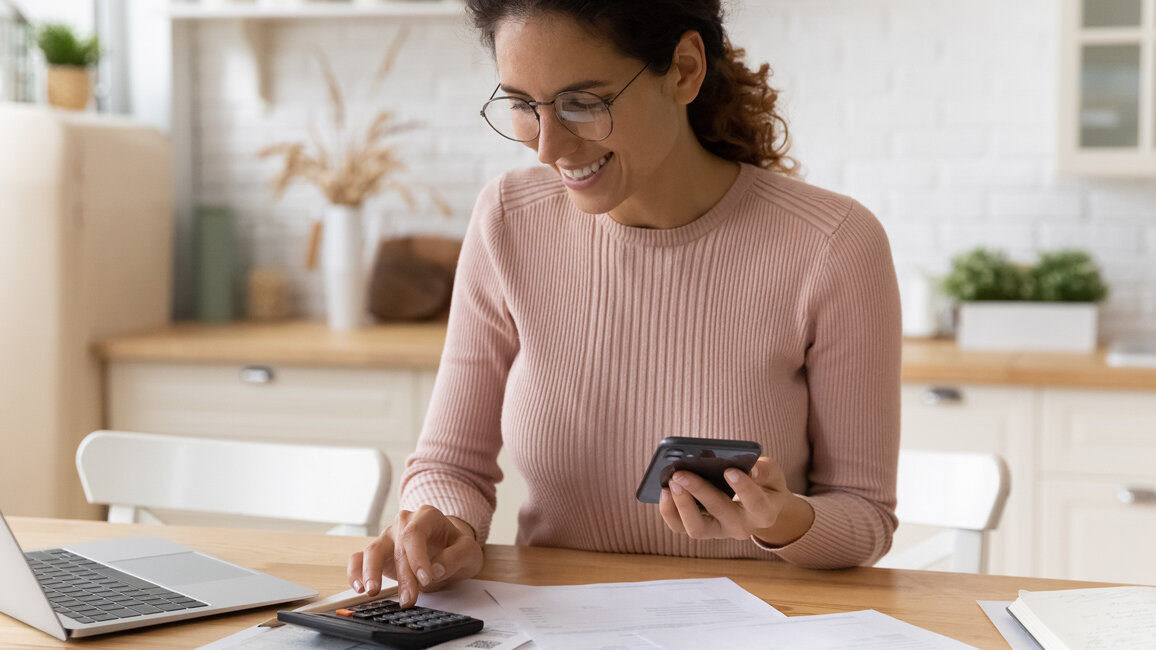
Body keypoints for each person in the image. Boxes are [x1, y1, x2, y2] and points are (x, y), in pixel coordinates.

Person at [349, 0, 902, 608]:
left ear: (685, 70)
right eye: (523, 106)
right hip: (554, 624)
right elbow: (450, 466)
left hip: (756, 624)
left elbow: (865, 519)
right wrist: (443, 525)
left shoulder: (832, 243)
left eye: (583, 103)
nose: (547, 146)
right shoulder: (509, 219)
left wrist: (779, 520)